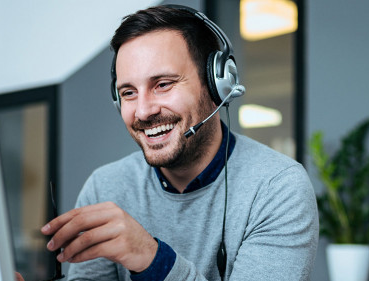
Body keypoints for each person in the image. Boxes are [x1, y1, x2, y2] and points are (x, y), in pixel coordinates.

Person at [17, 5, 318, 281]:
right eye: (128, 93)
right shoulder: (105, 187)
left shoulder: (277, 187)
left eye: (163, 84)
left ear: (216, 84)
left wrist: (151, 258)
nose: (144, 110)